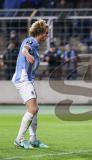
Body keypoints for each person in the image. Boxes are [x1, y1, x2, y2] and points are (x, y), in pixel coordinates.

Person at [11, 19, 49, 149]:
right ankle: (19, 139)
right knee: (33, 109)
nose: (47, 36)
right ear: (40, 32)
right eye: (46, 33)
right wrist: (27, 54)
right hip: (23, 79)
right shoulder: (31, 41)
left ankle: (33, 139)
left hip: (26, 80)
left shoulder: (35, 46)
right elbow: (25, 49)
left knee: (35, 110)